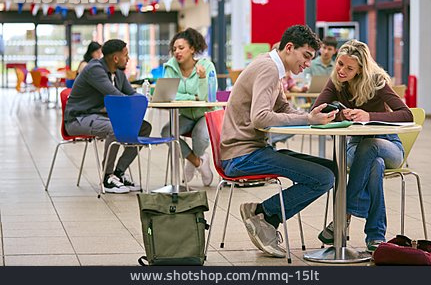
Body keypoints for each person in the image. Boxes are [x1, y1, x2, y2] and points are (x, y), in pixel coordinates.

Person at [220, 25, 338, 258]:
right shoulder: (268, 68)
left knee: (331, 169)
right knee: (324, 177)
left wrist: (312, 119)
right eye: (305, 56)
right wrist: (306, 118)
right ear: (289, 48)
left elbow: (282, 107)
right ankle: (263, 214)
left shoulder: (272, 65)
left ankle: (265, 216)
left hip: (251, 150)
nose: (306, 64)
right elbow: (260, 118)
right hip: (242, 155)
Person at [312, 39, 413, 252]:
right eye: (340, 64)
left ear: (360, 70)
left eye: (349, 68)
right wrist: (341, 113)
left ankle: (343, 216)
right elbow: (316, 111)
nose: (341, 70)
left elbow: (406, 114)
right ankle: (376, 237)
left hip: (388, 145)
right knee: (374, 165)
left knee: (372, 150)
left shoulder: (376, 82)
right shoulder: (336, 81)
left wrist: (368, 115)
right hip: (355, 147)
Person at [65, 39, 151, 194]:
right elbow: (116, 96)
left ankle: (118, 173)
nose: (128, 59)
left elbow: (130, 94)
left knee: (144, 128)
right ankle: (107, 177)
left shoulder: (118, 73)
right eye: (126, 55)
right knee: (115, 128)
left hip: (98, 117)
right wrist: (136, 101)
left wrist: (145, 99)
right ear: (116, 58)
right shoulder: (95, 70)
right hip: (78, 119)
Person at [160, 28, 217, 186]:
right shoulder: (170, 67)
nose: (177, 52)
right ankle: (198, 162)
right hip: (185, 114)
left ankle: (192, 161)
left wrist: (202, 78)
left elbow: (206, 98)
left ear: (192, 49)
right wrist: (192, 97)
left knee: (201, 135)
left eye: (181, 48)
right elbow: (168, 94)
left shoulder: (206, 67)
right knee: (167, 132)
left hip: (204, 114)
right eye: (174, 49)